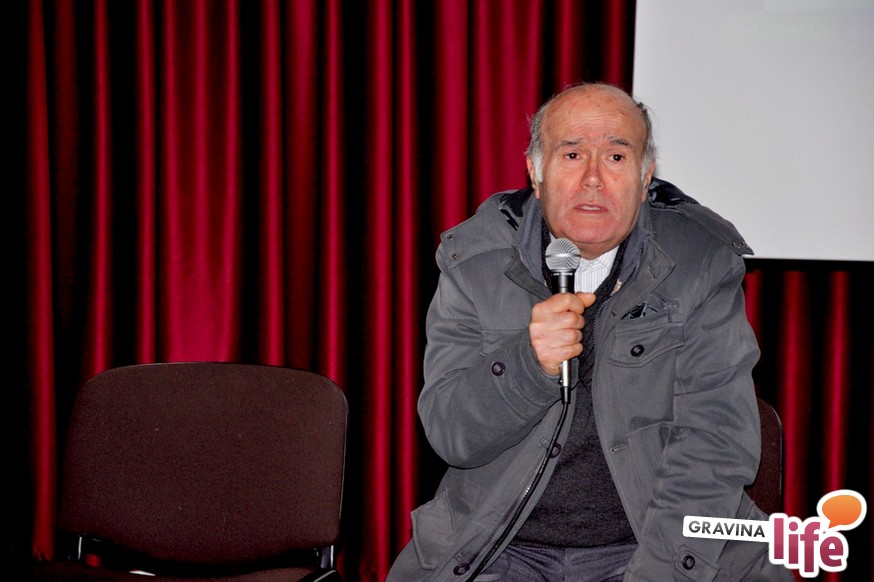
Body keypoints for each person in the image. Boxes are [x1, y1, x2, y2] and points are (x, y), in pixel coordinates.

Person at [386, 82, 793, 582]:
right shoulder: (473, 261)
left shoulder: (700, 262)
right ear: (536, 173)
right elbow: (452, 434)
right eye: (572, 154)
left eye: (616, 157)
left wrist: (656, 575)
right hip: (500, 547)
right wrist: (529, 365)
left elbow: (716, 444)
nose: (594, 179)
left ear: (645, 177)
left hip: (651, 543)